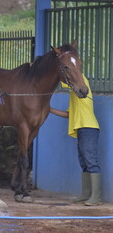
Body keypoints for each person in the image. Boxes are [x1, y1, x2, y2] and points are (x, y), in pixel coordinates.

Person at [50, 75, 102, 206]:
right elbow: (69, 115)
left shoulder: (82, 84)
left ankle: (96, 197)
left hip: (88, 127)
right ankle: (85, 194)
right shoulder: (74, 95)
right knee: (84, 162)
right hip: (81, 128)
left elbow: (66, 78)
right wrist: (49, 109)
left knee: (91, 161)